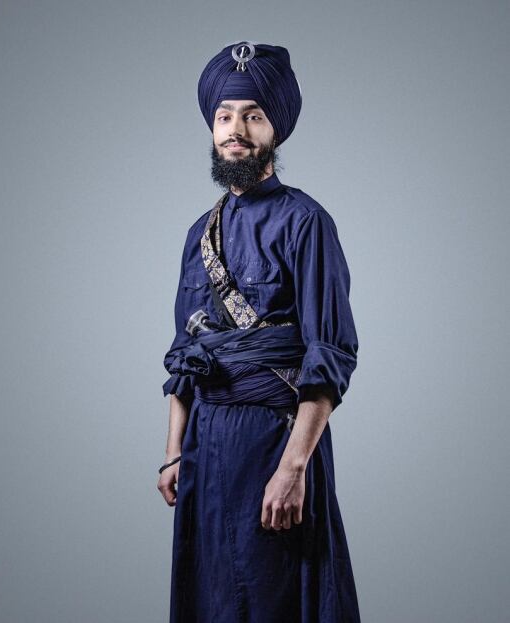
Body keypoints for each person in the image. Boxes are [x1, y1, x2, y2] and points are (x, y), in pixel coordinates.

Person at [157, 41, 361, 622]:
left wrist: (293, 469)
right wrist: (173, 454)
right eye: (224, 116)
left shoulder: (306, 221)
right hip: (205, 443)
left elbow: (330, 352)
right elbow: (183, 357)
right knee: (211, 599)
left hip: (276, 439)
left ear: (275, 128)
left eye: (252, 115)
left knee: (277, 601)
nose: (235, 129)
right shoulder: (201, 232)